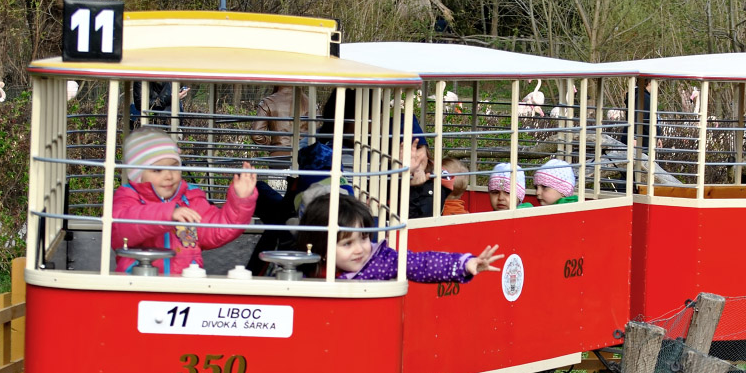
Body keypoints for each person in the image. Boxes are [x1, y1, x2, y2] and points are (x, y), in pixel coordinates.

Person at [112, 127, 257, 274]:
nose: (169, 176)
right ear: (137, 174)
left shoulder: (191, 198)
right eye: (157, 170)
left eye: (174, 167)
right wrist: (167, 214)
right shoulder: (128, 196)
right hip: (137, 284)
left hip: (184, 285)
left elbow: (217, 229)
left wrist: (241, 200)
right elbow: (120, 229)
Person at [299, 193, 502, 282]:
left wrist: (464, 264)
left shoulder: (379, 262)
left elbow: (420, 264)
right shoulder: (307, 270)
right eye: (347, 243)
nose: (360, 249)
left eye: (363, 238)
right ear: (320, 247)